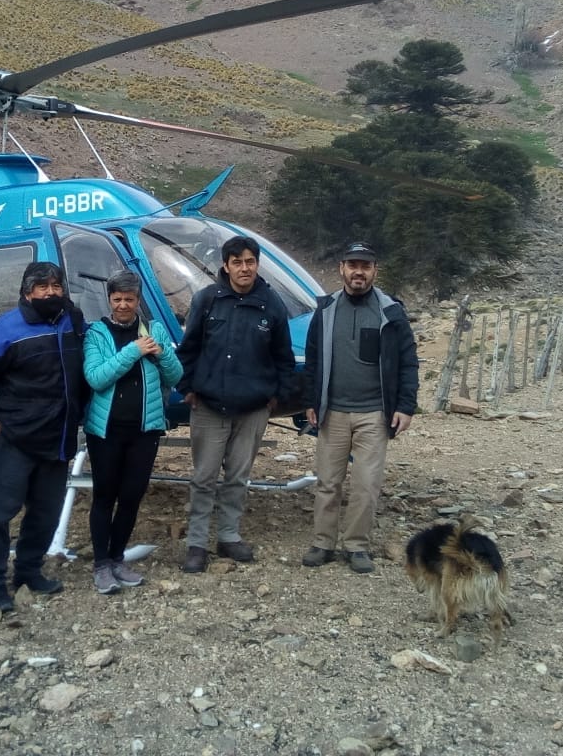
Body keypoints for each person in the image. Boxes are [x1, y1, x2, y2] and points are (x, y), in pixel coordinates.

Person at [0, 261, 89, 611]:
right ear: (26, 291)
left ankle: (28, 572)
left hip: (59, 437)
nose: (51, 292)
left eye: (56, 286)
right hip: (16, 439)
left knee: (45, 514)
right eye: (42, 287)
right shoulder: (5, 329)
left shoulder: (72, 322)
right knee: (0, 514)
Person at [175, 234, 295, 573]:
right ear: (226, 266)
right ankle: (197, 544)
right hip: (209, 405)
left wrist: (275, 398)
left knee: (238, 477)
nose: (245, 268)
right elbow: (189, 349)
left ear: (257, 264)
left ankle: (228, 537)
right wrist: (187, 386)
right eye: (238, 262)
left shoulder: (272, 304)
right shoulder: (207, 300)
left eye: (250, 261)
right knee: (204, 477)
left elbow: (283, 358)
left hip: (254, 409)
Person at [302, 241, 418, 574]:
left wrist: (406, 406)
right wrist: (311, 400)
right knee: (327, 482)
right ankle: (322, 542)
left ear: (374, 271)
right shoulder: (325, 310)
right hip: (332, 412)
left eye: (365, 266)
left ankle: (356, 546)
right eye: (352, 265)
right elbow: (313, 360)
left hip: (374, 413)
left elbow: (408, 362)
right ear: (341, 268)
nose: (358, 272)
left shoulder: (391, 311)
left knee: (366, 484)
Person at [82, 270, 183, 594]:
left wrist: (162, 353)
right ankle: (100, 564)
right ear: (109, 300)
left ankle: (117, 558)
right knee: (104, 496)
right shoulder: (97, 333)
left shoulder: (154, 330)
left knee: (131, 497)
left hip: (145, 429)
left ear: (138, 300)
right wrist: (134, 351)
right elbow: (96, 377)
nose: (123, 305)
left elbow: (176, 376)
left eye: (130, 299)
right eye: (118, 299)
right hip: (106, 430)